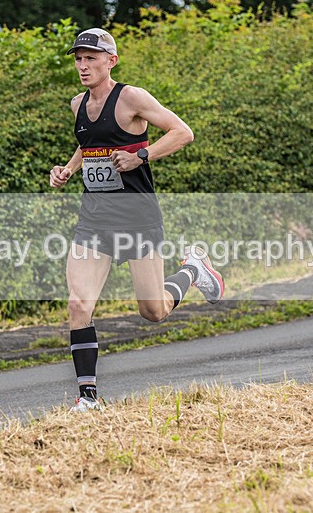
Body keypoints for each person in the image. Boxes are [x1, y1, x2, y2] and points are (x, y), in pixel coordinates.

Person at [50, 28, 224, 411]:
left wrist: (142, 157)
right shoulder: (78, 103)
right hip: (94, 219)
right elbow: (88, 144)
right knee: (79, 303)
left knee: (153, 312)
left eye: (91, 58)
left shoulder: (131, 97)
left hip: (137, 218)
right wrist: (67, 168)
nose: (82, 65)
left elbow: (183, 132)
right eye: (78, 58)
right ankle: (88, 397)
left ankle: (193, 270)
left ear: (111, 61)